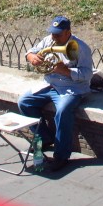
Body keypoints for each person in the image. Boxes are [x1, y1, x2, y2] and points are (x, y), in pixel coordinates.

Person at [17, 15, 93, 172]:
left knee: (63, 111)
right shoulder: (48, 41)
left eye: (58, 34)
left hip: (72, 88)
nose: (54, 37)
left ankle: (61, 156)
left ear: (68, 32)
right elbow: (31, 52)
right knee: (24, 102)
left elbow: (87, 74)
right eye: (52, 33)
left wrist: (66, 71)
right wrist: (32, 58)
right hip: (50, 85)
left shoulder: (81, 48)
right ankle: (45, 139)